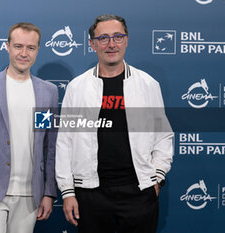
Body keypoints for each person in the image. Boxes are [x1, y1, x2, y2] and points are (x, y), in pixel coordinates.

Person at [55, 15, 173, 233]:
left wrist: (156, 178)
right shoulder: (77, 87)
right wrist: (68, 191)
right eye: (103, 38)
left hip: (139, 192)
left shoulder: (148, 84)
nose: (111, 44)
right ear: (92, 44)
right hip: (90, 194)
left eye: (118, 37)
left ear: (126, 40)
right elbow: (65, 141)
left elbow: (163, 135)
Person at [0, 22, 58, 233]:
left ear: (37, 50)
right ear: (7, 46)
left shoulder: (48, 92)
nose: (24, 53)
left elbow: (49, 147)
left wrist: (49, 192)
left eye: (30, 48)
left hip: (30, 196)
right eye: (18, 46)